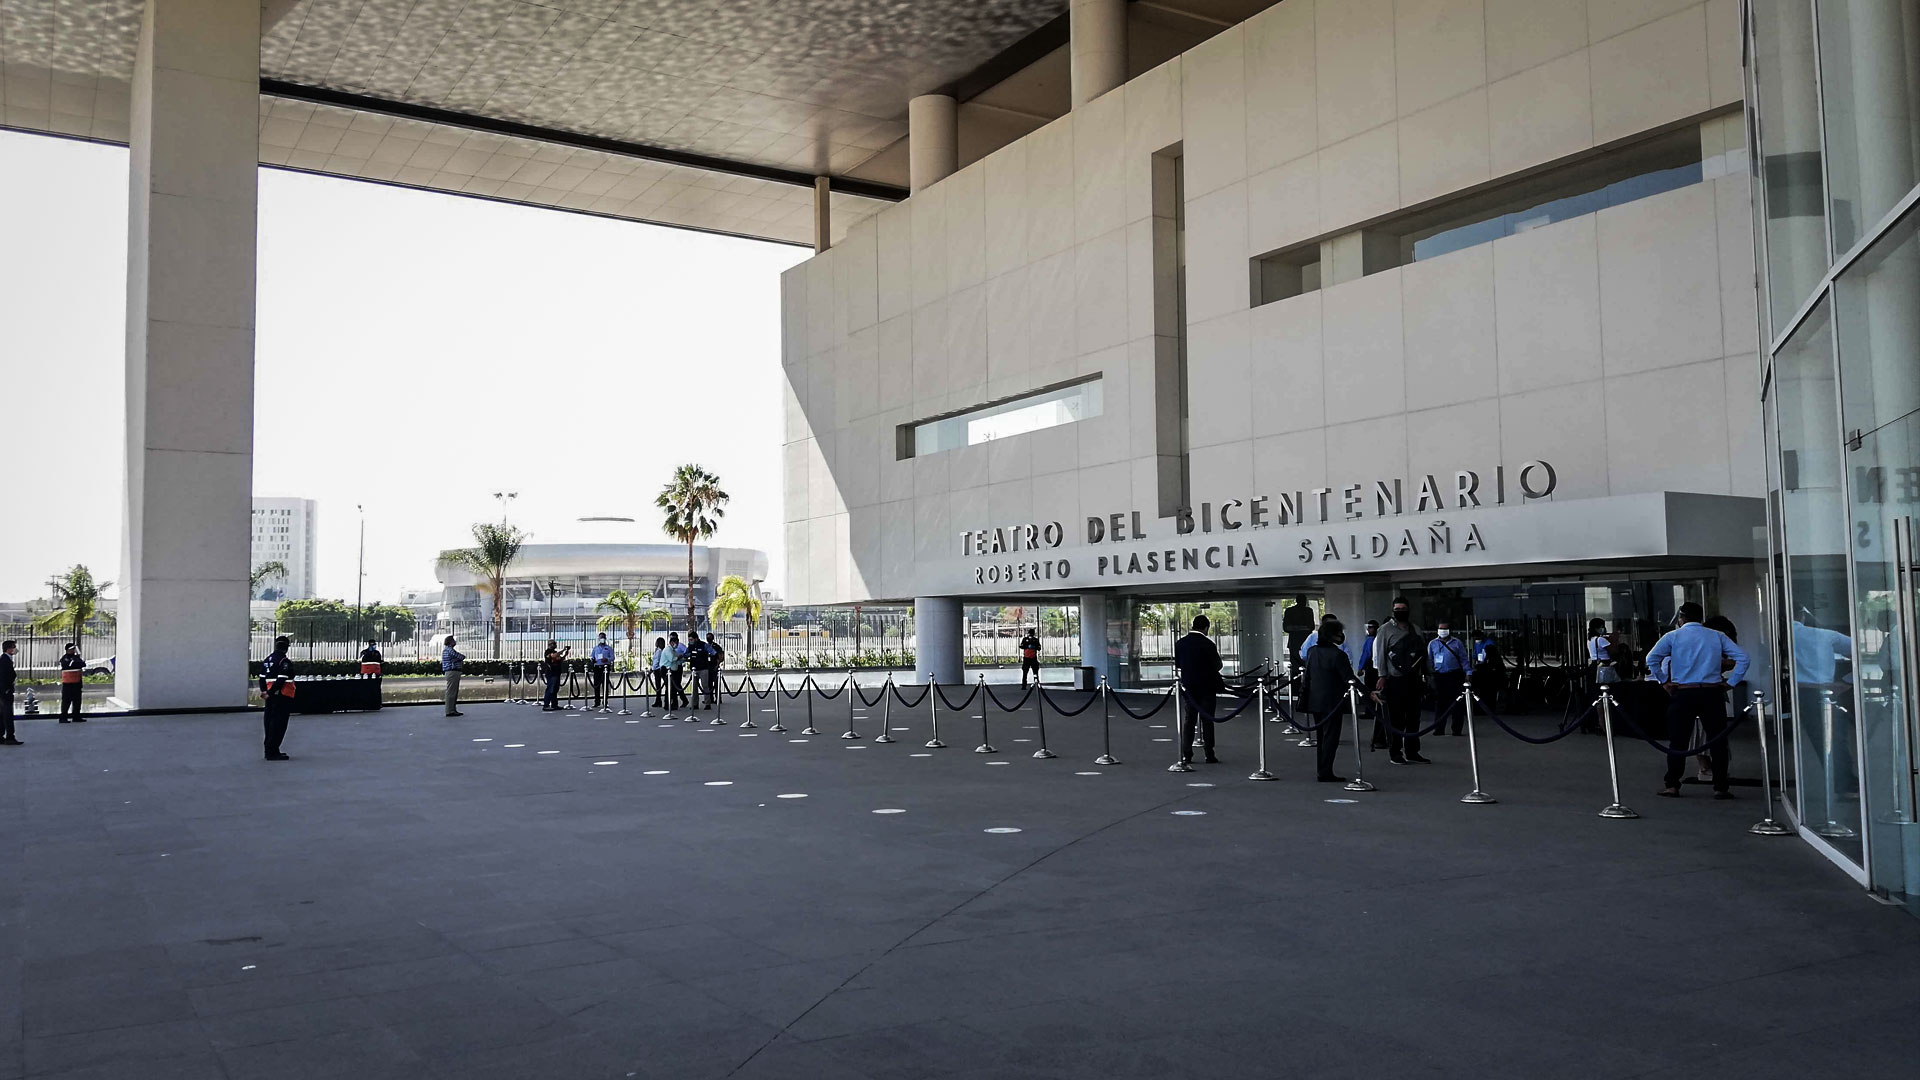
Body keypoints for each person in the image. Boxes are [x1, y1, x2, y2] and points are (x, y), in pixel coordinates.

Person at [1646, 601, 1749, 799]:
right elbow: (1743, 658)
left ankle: (1672, 785)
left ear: (1681, 618)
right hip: (1711, 693)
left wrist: (1664, 681)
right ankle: (1720, 786)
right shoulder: (1717, 636)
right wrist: (1732, 682)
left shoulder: (1673, 636)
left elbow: (1651, 659)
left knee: (1678, 740)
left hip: (1683, 692)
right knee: (1717, 739)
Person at [1372, 597, 1430, 764]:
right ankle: (1395, 752)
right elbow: (1381, 654)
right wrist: (1382, 676)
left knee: (1414, 717)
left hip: (1414, 679)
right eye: (1397, 609)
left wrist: (1427, 674)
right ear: (1393, 611)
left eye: (1403, 608)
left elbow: (1422, 654)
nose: (1400, 611)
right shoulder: (1385, 630)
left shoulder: (1416, 629)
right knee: (1396, 718)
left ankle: (1412, 751)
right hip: (1395, 680)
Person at [1305, 621, 1358, 782]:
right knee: (1331, 737)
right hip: (1333, 701)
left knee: (1321, 737)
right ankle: (1325, 771)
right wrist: (1368, 693)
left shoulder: (1312, 651)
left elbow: (1308, 676)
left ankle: (1322, 768)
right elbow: (1350, 678)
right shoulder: (1338, 655)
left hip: (1316, 700)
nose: (1341, 636)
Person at [1174, 615, 1225, 765]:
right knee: (1208, 720)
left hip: (1189, 687)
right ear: (1206, 627)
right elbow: (1218, 665)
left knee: (1189, 720)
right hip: (1207, 687)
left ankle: (1187, 754)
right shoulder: (1208, 644)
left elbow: (1178, 664)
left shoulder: (1180, 643)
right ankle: (1209, 753)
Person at [1427, 620, 1472, 735]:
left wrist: (1468, 673)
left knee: (1457, 703)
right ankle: (1439, 729)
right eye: (1440, 629)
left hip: (1454, 675)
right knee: (1440, 704)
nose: (1442, 631)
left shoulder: (1457, 643)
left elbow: (1463, 659)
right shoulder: (1432, 644)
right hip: (1439, 676)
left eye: (1444, 629)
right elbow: (1429, 660)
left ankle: (1456, 729)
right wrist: (1429, 675)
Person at [260, 635, 295, 761]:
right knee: (278, 724)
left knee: (269, 722)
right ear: (286, 647)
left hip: (270, 697)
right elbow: (281, 679)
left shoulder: (267, 660)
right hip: (282, 696)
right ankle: (272, 751)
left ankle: (270, 750)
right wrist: (271, 692)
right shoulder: (283, 661)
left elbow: (261, 678)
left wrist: (265, 691)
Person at [1470, 628, 1503, 713]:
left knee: (1489, 691)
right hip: (1480, 668)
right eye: (1475, 639)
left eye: (1477, 638)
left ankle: (1489, 708)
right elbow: (1475, 656)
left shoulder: (1489, 644)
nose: (1476, 640)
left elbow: (1489, 656)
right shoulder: (1477, 644)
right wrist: (1474, 666)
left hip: (1489, 669)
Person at [1281, 596, 1315, 666]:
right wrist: (1303, 628)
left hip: (1300, 641)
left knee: (1303, 663)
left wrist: (1296, 628)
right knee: (1297, 664)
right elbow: (1286, 627)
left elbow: (1311, 627)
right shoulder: (1291, 611)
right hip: (1296, 641)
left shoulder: (1308, 611)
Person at [56, 643, 85, 723]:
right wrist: (75, 662)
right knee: (66, 701)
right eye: (71, 649)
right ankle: (63, 718)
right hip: (68, 683)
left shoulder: (76, 657)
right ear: (67, 650)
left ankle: (76, 716)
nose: (72, 650)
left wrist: (77, 661)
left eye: (73, 649)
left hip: (77, 682)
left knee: (77, 701)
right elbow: (68, 665)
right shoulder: (64, 658)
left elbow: (83, 664)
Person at [683, 630, 710, 713]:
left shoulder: (704, 645)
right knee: (694, 687)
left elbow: (712, 652)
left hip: (703, 669)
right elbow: (686, 654)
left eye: (691, 640)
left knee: (705, 686)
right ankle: (695, 704)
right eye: (689, 640)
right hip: (694, 669)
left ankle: (707, 703)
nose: (690, 641)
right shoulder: (690, 647)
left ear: (696, 639)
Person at [1, 639, 21, 745]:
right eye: (13, 647)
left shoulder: (6, 659)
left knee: (2, 714)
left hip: (4, 692)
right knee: (7, 714)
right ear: (9, 649)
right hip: (5, 693)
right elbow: (3, 677)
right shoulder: (4, 660)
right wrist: (6, 690)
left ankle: (1, 736)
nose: (15, 649)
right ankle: (9, 737)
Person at [441, 635, 466, 717]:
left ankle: (452, 709)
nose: (455, 642)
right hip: (453, 672)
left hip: (451, 672)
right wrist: (459, 659)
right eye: (453, 640)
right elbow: (461, 657)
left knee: (452, 691)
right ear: (450, 642)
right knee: (451, 692)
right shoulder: (450, 650)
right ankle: (450, 710)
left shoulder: (447, 650)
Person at [541, 640, 568, 711]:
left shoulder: (555, 652)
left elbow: (560, 659)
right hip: (551, 673)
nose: (555, 645)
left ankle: (554, 704)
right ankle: (546, 705)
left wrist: (565, 654)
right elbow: (554, 656)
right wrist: (563, 650)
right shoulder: (548, 652)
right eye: (554, 644)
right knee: (550, 688)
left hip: (557, 672)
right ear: (550, 644)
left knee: (555, 689)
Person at [590, 633, 615, 708]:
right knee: (596, 685)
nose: (602, 639)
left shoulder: (609, 648)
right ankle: (597, 701)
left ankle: (605, 701)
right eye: (601, 638)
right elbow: (591, 656)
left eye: (603, 638)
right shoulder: (595, 648)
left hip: (605, 667)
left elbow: (613, 657)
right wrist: (592, 660)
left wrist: (607, 659)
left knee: (605, 685)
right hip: (597, 667)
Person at [668, 632, 689, 712]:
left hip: (678, 665)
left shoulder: (680, 645)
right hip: (673, 666)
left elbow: (687, 651)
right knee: (675, 684)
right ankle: (678, 700)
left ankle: (682, 700)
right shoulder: (670, 646)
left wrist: (682, 656)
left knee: (676, 684)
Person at [703, 632, 725, 708]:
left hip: (714, 666)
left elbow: (720, 656)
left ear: (712, 638)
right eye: (707, 637)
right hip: (707, 667)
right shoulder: (705, 646)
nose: (708, 639)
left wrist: (717, 665)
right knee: (708, 684)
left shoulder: (716, 646)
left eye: (709, 637)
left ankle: (718, 698)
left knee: (716, 684)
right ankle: (710, 699)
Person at [649, 636, 670, 709]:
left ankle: (659, 700)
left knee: (659, 685)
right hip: (658, 669)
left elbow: (656, 661)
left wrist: (652, 668)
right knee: (658, 686)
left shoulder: (659, 651)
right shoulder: (659, 651)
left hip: (658, 669)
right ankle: (658, 700)